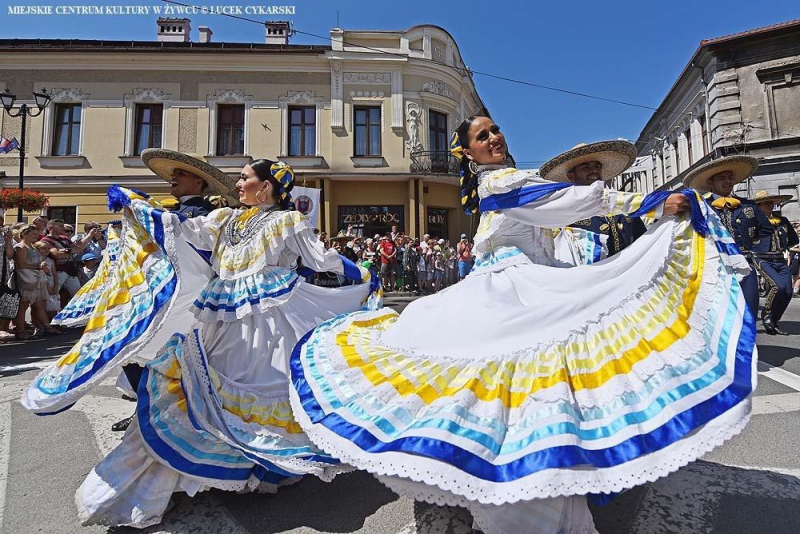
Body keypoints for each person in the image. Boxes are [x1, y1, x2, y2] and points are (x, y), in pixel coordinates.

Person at [288, 116, 757, 534]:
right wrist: (648, 200)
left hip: (532, 289)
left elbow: (559, 212)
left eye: (495, 131)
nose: (494, 138)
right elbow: (560, 199)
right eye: (481, 136)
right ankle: (496, 490)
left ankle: (528, 484)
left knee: (532, 390)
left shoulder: (506, 187)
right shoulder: (500, 184)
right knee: (499, 388)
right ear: (467, 153)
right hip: (502, 294)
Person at [23, 158, 378, 528]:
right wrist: (139, 205)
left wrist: (362, 276)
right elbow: (181, 230)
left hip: (269, 322)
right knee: (204, 388)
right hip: (222, 317)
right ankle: (195, 469)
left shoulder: (288, 221)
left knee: (258, 389)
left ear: (266, 186)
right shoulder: (225, 219)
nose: (237, 184)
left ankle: (257, 466)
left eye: (244, 178)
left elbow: (322, 260)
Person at [682, 156, 773, 318]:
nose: (727, 182)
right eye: (722, 178)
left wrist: (755, 251)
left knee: (749, 309)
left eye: (730, 178)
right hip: (715, 267)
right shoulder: (701, 208)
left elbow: (766, 230)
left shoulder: (748, 205)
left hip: (745, 265)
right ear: (711, 183)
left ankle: (747, 343)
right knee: (721, 314)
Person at [540, 141, 647, 258]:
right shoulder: (564, 208)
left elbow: (644, 241)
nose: (594, 170)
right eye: (585, 166)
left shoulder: (621, 202)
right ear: (572, 176)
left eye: (597, 166)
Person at [751, 190, 798, 335]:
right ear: (758, 206)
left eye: (771, 203)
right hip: (762, 258)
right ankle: (766, 313)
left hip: (779, 259)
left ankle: (774, 320)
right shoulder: (754, 222)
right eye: (766, 203)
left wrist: (784, 246)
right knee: (777, 286)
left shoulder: (782, 221)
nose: (770, 205)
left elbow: (793, 239)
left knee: (788, 291)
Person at [12, 225, 59, 339]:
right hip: (25, 280)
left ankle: (48, 327)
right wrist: (39, 267)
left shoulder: (32, 247)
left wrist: (41, 264)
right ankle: (21, 331)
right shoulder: (21, 247)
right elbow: (21, 265)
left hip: (36, 280)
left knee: (38, 305)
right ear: (24, 234)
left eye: (37, 234)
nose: (36, 236)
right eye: (33, 234)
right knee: (23, 306)